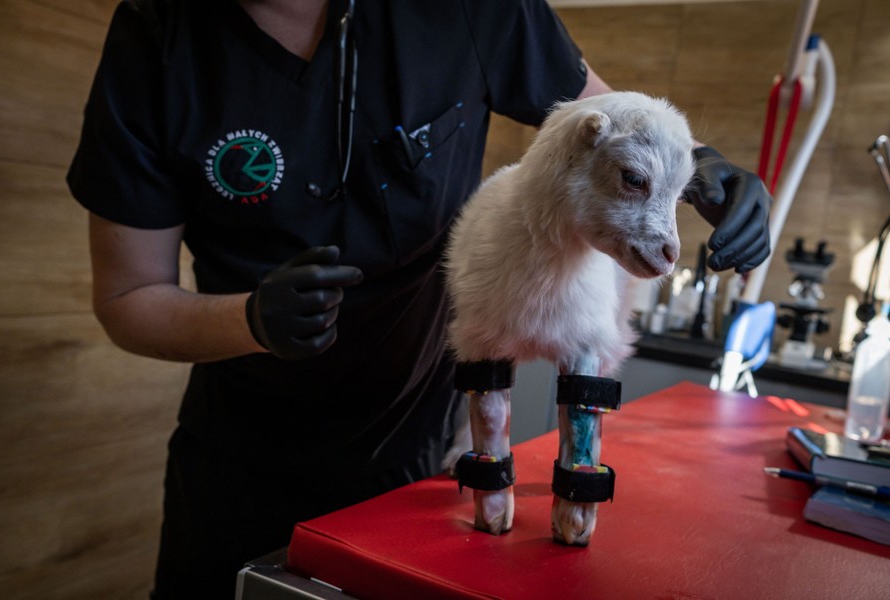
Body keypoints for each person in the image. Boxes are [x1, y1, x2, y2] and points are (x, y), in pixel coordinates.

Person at [67, 0, 772, 597]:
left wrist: (703, 167)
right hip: (237, 466)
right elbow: (130, 296)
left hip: (412, 455)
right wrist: (249, 318)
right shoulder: (157, 33)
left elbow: (608, 122)